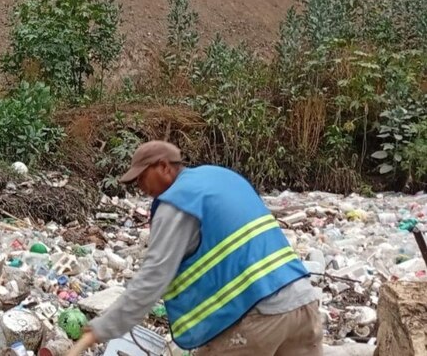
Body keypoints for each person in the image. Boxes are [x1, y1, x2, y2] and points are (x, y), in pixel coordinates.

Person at [67, 141, 321, 356]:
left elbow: (153, 277)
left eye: (142, 177)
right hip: (303, 304)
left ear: (164, 167)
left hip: (256, 317)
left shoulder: (177, 202)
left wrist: (101, 329)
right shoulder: (220, 177)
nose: (141, 187)